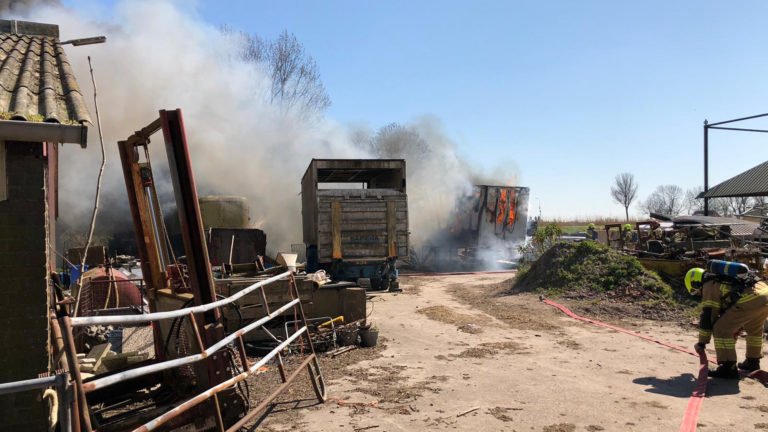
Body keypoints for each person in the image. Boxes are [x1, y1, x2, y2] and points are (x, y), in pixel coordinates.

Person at [686, 266, 768, 378]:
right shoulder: (722, 277)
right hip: (764, 294)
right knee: (755, 330)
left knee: (721, 329)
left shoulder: (709, 285)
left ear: (695, 283)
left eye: (696, 291)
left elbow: (709, 316)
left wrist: (702, 343)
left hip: (751, 298)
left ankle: (728, 367)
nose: (699, 294)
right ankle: (752, 362)